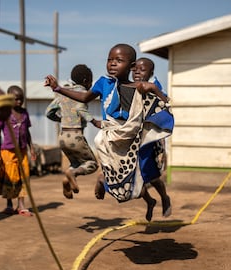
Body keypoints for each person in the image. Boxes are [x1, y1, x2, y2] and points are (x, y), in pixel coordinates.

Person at [45, 44, 174, 221]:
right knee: (117, 175)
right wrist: (57, 88)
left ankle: (161, 198)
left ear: (131, 66)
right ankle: (105, 181)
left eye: (119, 60)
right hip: (110, 140)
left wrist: (154, 89)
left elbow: (164, 106)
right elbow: (84, 98)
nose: (112, 63)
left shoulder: (140, 88)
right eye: (110, 60)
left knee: (146, 176)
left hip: (135, 142)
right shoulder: (103, 84)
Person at [46, 64, 101, 199]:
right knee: (92, 164)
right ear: (85, 81)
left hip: (63, 136)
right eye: (90, 81)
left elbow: (49, 112)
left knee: (76, 163)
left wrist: (63, 119)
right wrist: (94, 121)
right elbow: (81, 110)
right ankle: (73, 174)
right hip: (75, 135)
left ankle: (67, 179)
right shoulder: (82, 94)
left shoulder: (63, 92)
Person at [0, 85, 36, 216]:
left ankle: (21, 205)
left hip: (22, 150)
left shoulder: (24, 113)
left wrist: (32, 147)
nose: (19, 102)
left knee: (24, 176)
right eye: (16, 99)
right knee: (10, 177)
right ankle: (9, 204)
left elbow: (27, 131)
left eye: (21, 99)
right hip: (8, 150)